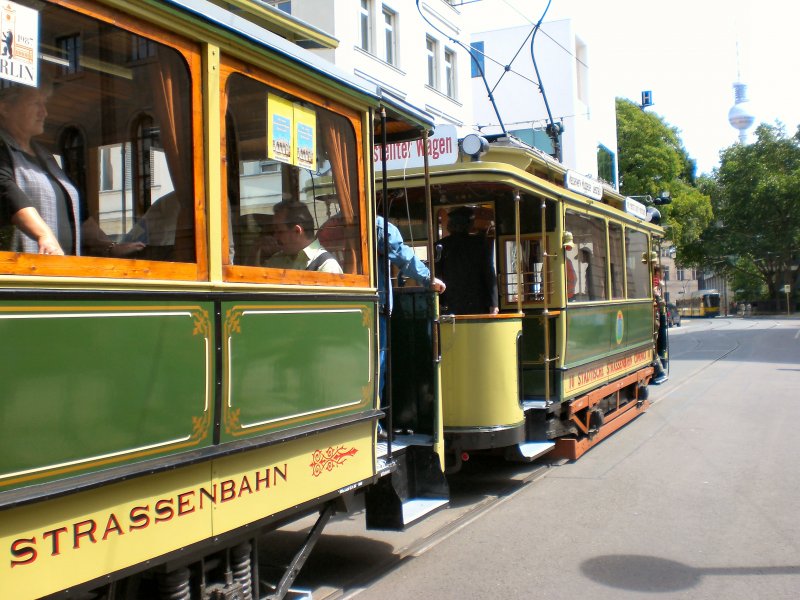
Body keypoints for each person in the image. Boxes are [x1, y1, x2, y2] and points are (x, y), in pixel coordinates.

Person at [0, 81, 143, 257]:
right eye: (36, 103)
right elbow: (7, 193)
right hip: (20, 270)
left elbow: (78, 215)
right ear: (6, 108)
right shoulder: (3, 149)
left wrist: (111, 247)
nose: (44, 112)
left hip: (61, 268)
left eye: (44, 103)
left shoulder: (46, 158)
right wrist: (43, 235)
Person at [376, 215, 445, 413]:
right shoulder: (378, 226)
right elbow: (401, 254)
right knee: (376, 366)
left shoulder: (331, 227)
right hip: (374, 307)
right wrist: (427, 278)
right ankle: (374, 425)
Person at [435, 206, 498, 315]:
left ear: (450, 225)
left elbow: (436, 276)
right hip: (477, 303)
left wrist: (439, 302)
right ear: (469, 224)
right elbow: (489, 273)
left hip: (449, 304)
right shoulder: (480, 244)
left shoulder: (440, 246)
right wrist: (494, 303)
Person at [264, 200, 342, 273]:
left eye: (280, 231)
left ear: (297, 231)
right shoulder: (276, 260)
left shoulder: (327, 266)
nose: (275, 236)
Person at [651, 264, 669, 384]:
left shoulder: (655, 283)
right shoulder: (655, 282)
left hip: (656, 316)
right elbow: (656, 295)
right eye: (661, 272)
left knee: (654, 342)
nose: (663, 274)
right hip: (656, 315)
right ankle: (660, 368)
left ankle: (659, 367)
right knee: (654, 342)